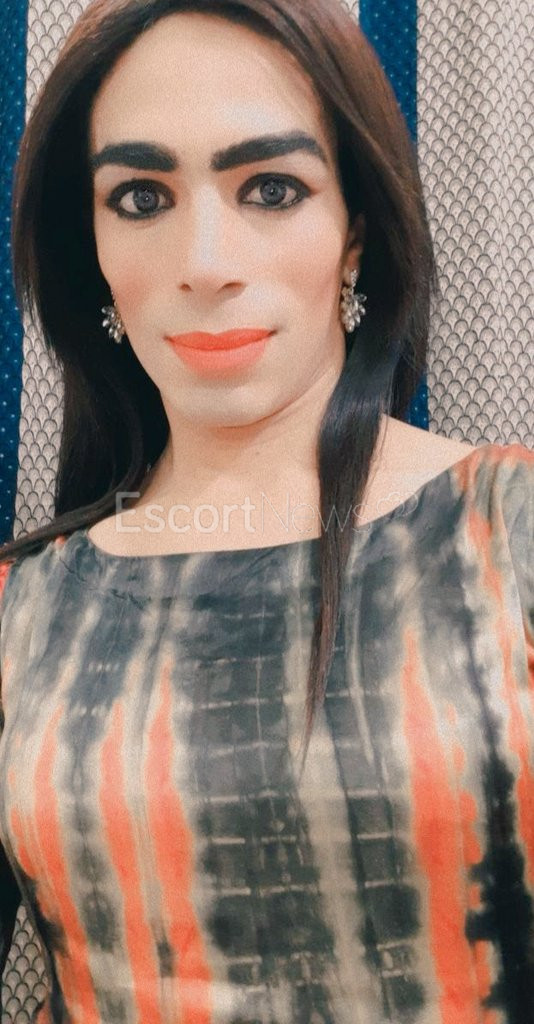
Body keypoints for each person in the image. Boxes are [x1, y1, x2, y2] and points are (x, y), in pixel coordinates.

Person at [0, 0, 532, 1021]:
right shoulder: (22, 608)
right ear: (91, 248)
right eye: (141, 198)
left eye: (272, 189)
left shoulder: (508, 529)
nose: (206, 261)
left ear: (354, 235)